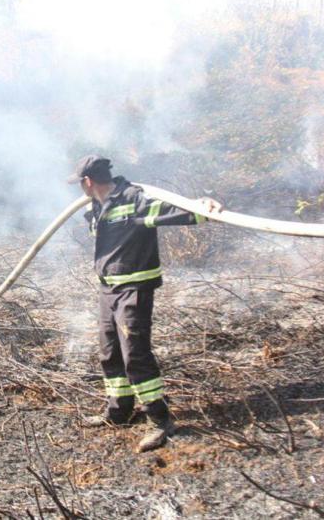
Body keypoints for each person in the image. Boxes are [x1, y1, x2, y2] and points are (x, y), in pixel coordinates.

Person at [68, 155, 222, 452]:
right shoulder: (99, 205)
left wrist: (202, 206)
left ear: (88, 182)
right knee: (109, 352)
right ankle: (119, 411)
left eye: (80, 184)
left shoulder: (134, 199)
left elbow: (176, 212)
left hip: (134, 289)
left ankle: (159, 420)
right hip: (108, 289)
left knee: (134, 354)